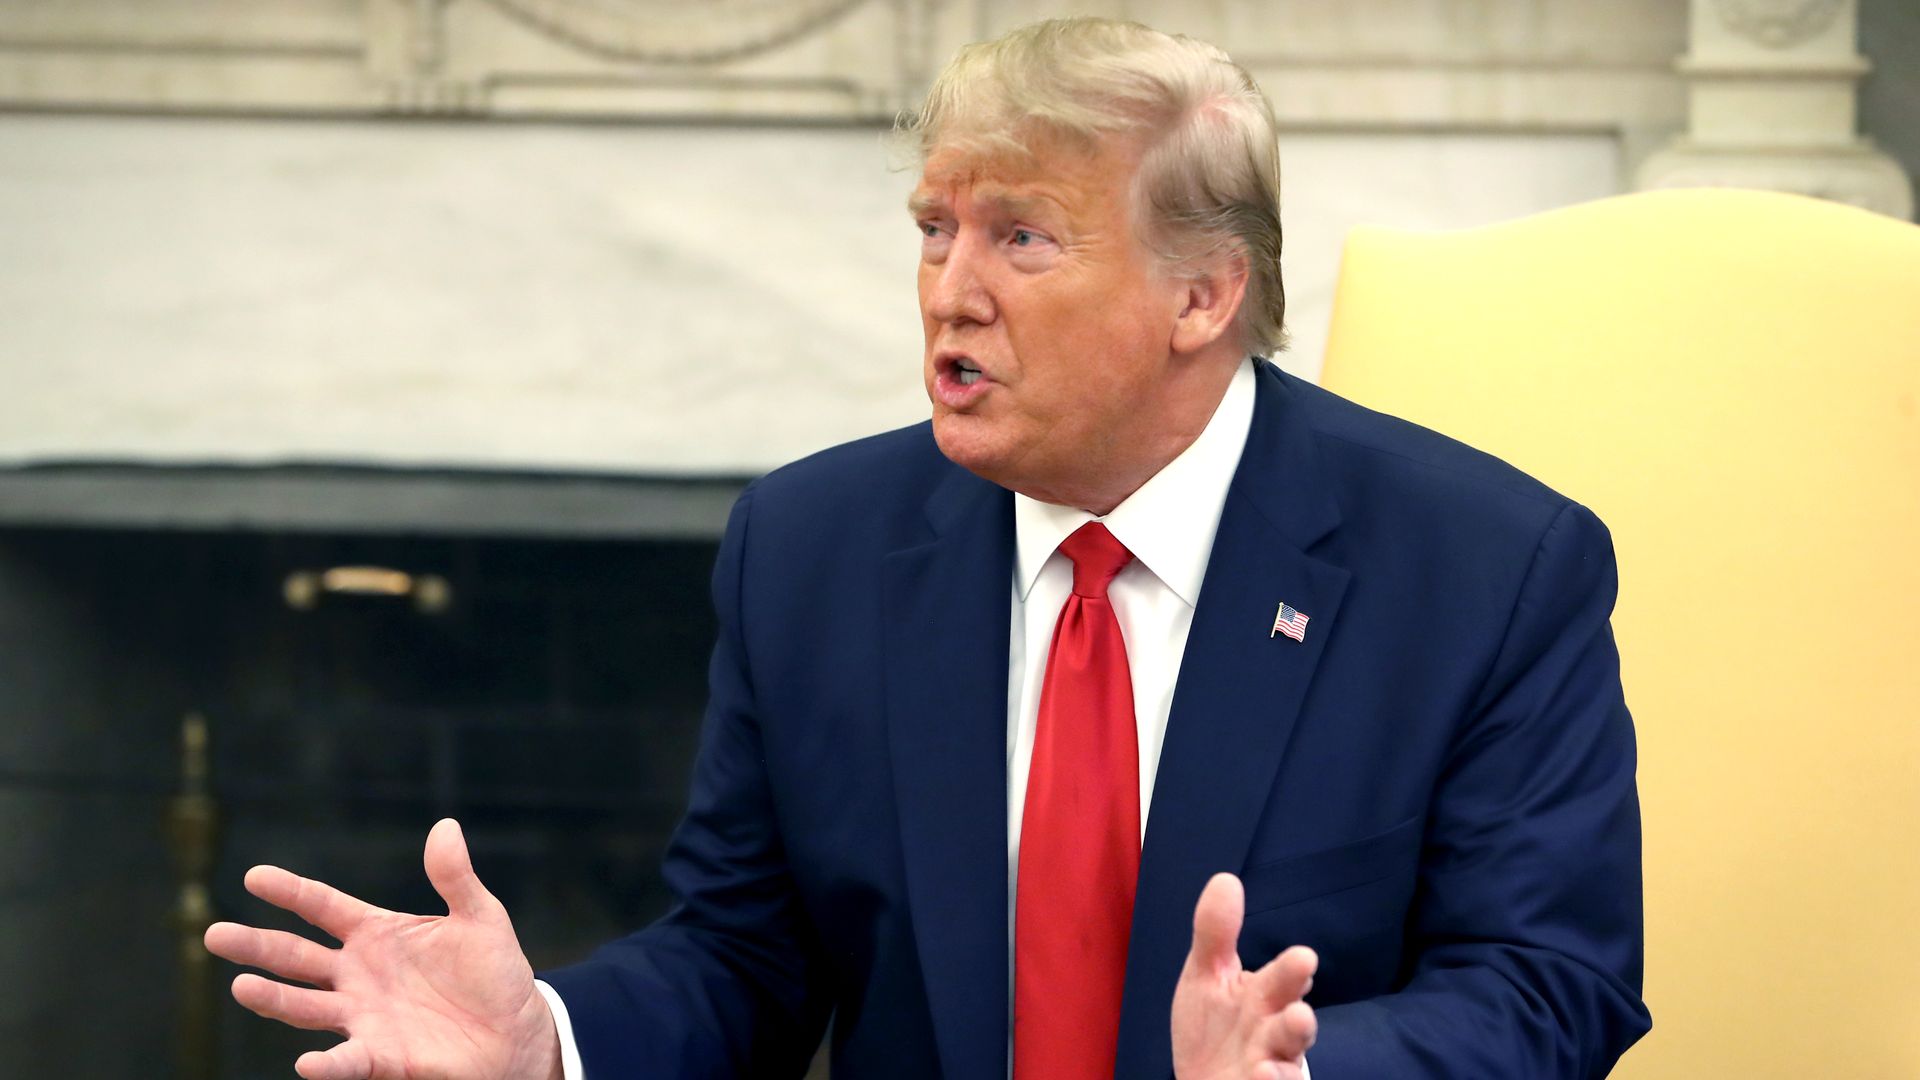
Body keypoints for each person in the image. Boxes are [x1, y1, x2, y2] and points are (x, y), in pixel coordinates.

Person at [206, 17, 1650, 1080]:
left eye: (1022, 240)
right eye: (934, 227)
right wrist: (552, 1039)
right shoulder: (811, 549)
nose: (949, 291)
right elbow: (747, 959)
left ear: (1202, 295)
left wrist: (1306, 1071)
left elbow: (1550, 984)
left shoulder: (1486, 572)